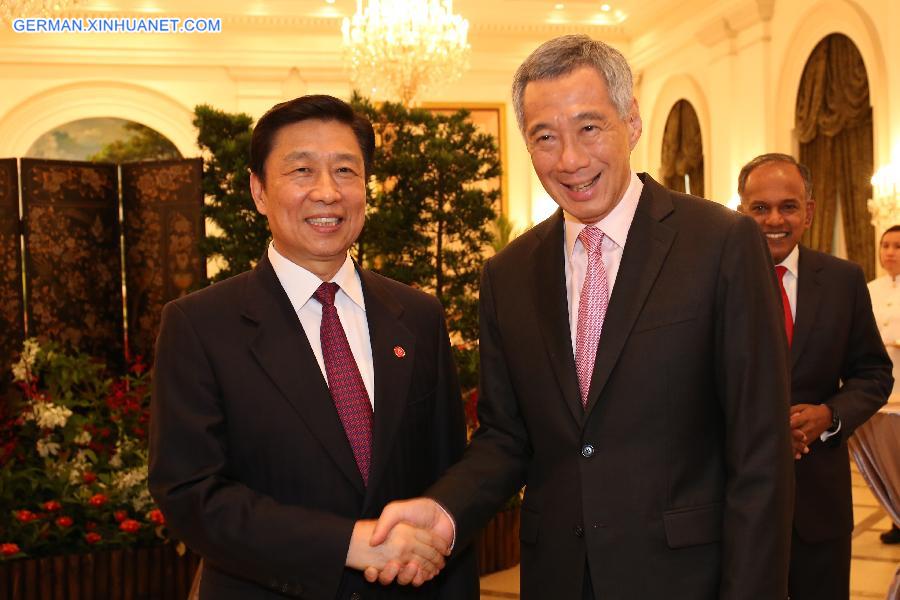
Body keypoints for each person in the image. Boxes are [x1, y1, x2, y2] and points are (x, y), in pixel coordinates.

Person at [368, 35, 794, 599]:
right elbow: (505, 438)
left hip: (687, 580)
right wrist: (444, 513)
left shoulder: (720, 244)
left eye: (589, 127)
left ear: (632, 124)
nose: (569, 159)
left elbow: (760, 447)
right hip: (558, 580)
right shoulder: (508, 273)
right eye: (545, 137)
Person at [148, 95, 477, 599]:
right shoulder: (200, 325)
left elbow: (449, 477)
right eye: (302, 170)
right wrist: (346, 543)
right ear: (259, 191)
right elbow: (191, 495)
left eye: (345, 171)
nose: (327, 192)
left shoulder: (418, 316)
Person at [737, 153, 892, 600]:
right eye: (760, 208)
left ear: (810, 210)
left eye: (788, 206)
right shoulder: (712, 281)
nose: (775, 219)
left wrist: (830, 414)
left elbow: (874, 373)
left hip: (819, 502)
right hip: (734, 501)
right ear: (741, 212)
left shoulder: (844, 281)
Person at [867, 225, 900, 544]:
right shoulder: (869, 288)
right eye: (885, 245)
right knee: (887, 460)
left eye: (897, 246)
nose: (889, 252)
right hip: (880, 391)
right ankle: (896, 517)